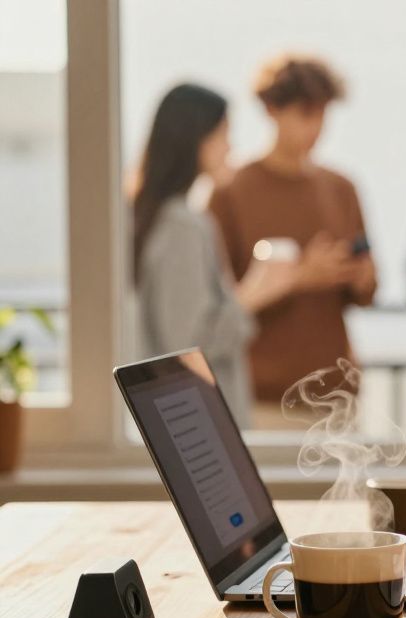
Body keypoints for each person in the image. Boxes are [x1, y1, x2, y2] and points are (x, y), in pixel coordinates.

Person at [209, 54, 376, 428]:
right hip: (264, 398)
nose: (315, 128)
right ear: (271, 109)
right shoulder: (231, 192)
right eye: (305, 114)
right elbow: (217, 304)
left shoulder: (342, 188)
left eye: (322, 114)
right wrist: (300, 277)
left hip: (336, 397)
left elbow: (365, 294)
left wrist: (360, 276)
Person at [132, 83, 296, 428]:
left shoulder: (148, 216)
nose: (230, 147)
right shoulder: (183, 226)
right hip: (200, 425)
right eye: (224, 135)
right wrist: (254, 294)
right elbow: (187, 344)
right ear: (196, 140)